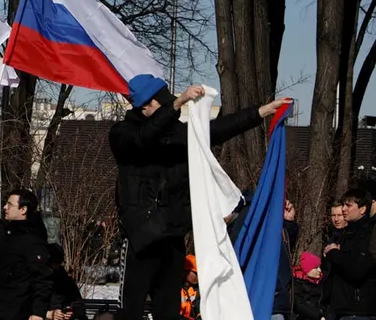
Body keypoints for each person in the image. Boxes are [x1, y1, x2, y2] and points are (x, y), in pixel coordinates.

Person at [110, 75, 289, 320]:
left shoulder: (177, 136)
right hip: (139, 240)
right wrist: (176, 104)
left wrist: (260, 112)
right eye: (152, 106)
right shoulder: (123, 135)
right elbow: (144, 137)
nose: (150, 110)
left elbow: (216, 130)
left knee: (169, 310)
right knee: (130, 311)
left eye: (160, 104)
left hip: (171, 236)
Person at [0, 173, 53, 320]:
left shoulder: (34, 241)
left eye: (10, 205)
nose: (5, 207)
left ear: (23, 210)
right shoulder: (6, 232)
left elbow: (42, 280)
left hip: (15, 313)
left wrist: (38, 313)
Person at [323, 188, 376, 319]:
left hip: (358, 311)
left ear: (362, 209)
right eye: (344, 205)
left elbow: (358, 269)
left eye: (349, 205)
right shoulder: (345, 233)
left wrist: (334, 253)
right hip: (340, 310)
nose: (343, 209)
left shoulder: (368, 233)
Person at [46, 244, 85, 320]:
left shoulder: (66, 280)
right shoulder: (39, 280)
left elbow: (79, 304)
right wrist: (47, 314)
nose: (55, 266)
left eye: (57, 263)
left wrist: (72, 311)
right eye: (53, 263)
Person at [292, 252, 323, 320]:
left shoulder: (321, 282)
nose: (319, 270)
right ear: (307, 269)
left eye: (319, 267)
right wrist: (319, 316)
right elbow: (298, 304)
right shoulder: (297, 283)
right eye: (316, 267)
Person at [180, 255, 200, 320]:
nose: (198, 276)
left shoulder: (197, 291)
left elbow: (200, 310)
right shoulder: (174, 288)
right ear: (186, 271)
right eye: (195, 273)